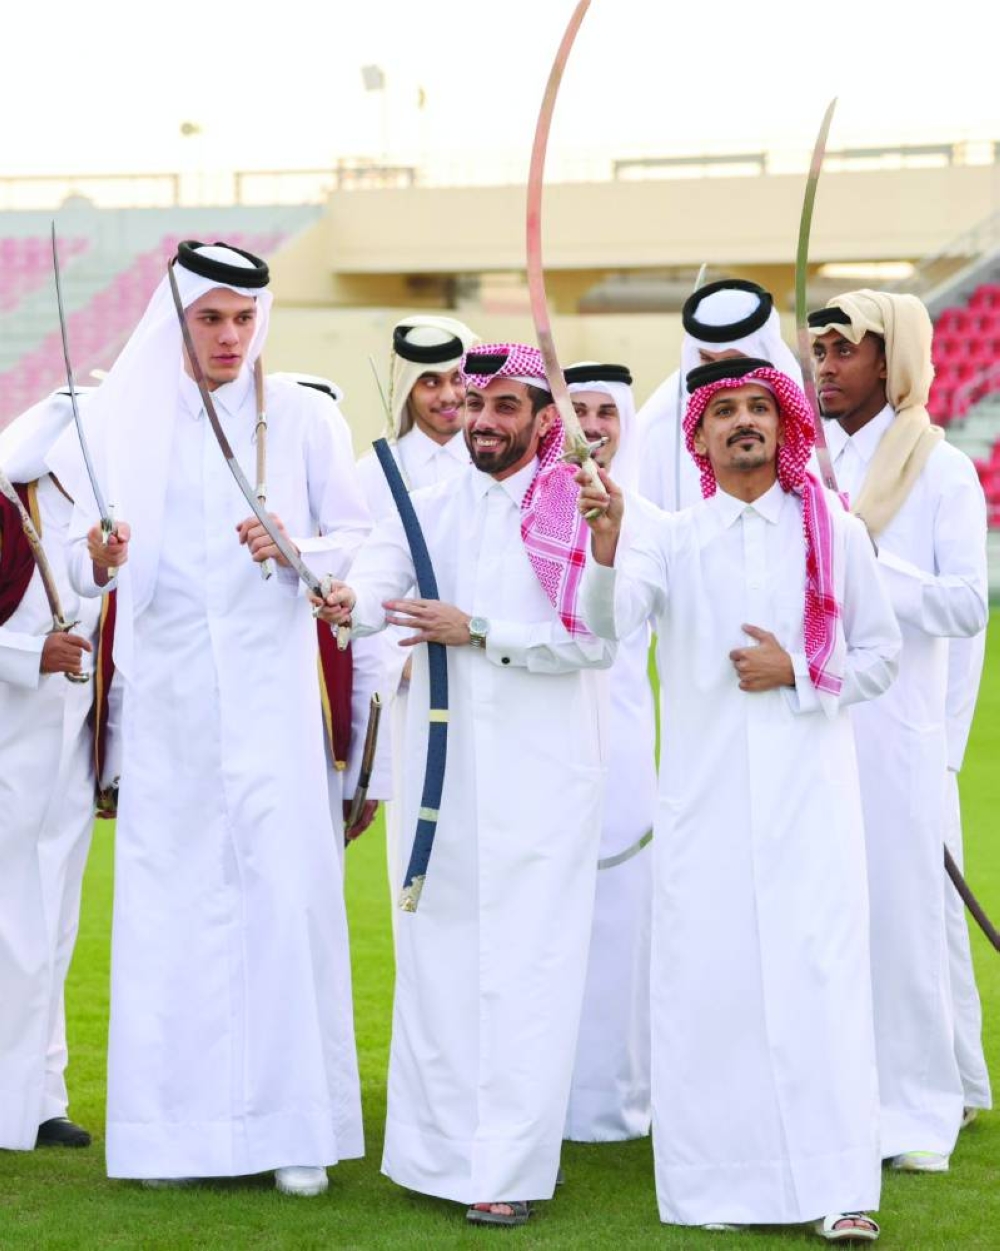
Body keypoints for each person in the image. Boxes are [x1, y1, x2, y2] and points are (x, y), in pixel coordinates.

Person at [49, 241, 371, 1195]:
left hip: (272, 696)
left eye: (244, 318)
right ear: (179, 318)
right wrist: (99, 557)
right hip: (172, 702)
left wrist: (295, 544)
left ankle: (294, 1131)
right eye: (211, 319)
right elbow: (77, 554)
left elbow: (357, 539)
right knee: (174, 904)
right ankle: (173, 1135)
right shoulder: (124, 420)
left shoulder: (304, 416)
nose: (232, 337)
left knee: (283, 894)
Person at [577, 357, 901, 1240]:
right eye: (727, 413)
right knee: (710, 988)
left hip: (811, 806)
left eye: (761, 408)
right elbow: (610, 626)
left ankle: (840, 1191)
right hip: (706, 809)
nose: (745, 423)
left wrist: (796, 669)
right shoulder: (671, 537)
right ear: (701, 437)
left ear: (784, 425)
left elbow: (880, 655)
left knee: (819, 982)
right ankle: (718, 1188)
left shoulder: (829, 527)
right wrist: (607, 540)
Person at [316, 342, 614, 1227]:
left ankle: (510, 1167)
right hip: (439, 777)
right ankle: (435, 1154)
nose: (483, 420)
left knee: (528, 966)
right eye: (476, 403)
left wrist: (475, 629)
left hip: (542, 776)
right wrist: (341, 599)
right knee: (439, 959)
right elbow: (377, 584)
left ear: (540, 419)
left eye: (506, 407)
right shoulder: (431, 499)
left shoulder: (576, 511)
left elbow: (592, 641)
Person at [809, 290, 989, 1172]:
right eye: (821, 350)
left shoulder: (938, 467)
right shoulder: (805, 464)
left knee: (905, 923)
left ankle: (918, 1109)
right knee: (825, 917)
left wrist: (876, 566)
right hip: (814, 719)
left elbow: (965, 602)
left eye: (846, 349)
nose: (828, 365)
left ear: (891, 359)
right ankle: (833, 1093)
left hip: (899, 729)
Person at [0, 388, 107, 1152]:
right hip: (7, 745)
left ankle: (41, 1096)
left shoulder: (100, 525)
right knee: (13, 930)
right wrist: (27, 654)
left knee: (54, 926)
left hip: (68, 756)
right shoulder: (10, 512)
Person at [562, 362, 656, 1144]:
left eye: (606, 412)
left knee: (623, 922)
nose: (592, 425)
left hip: (624, 743)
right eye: (578, 409)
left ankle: (611, 1103)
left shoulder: (651, 520)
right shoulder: (529, 509)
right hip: (547, 738)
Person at [354, 316, 478, 896]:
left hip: (485, 667)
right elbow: (365, 582)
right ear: (408, 389)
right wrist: (396, 661)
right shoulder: (374, 473)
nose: (449, 395)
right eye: (431, 382)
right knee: (419, 836)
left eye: (457, 379)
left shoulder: (491, 464)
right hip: (411, 681)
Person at [638, 278, 802, 511]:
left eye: (734, 362)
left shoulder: (800, 426)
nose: (718, 379)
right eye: (706, 361)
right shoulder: (658, 428)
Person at [944, 633, 992, 1124]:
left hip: (921, 749)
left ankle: (957, 1079)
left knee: (936, 919)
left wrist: (942, 753)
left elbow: (966, 629)